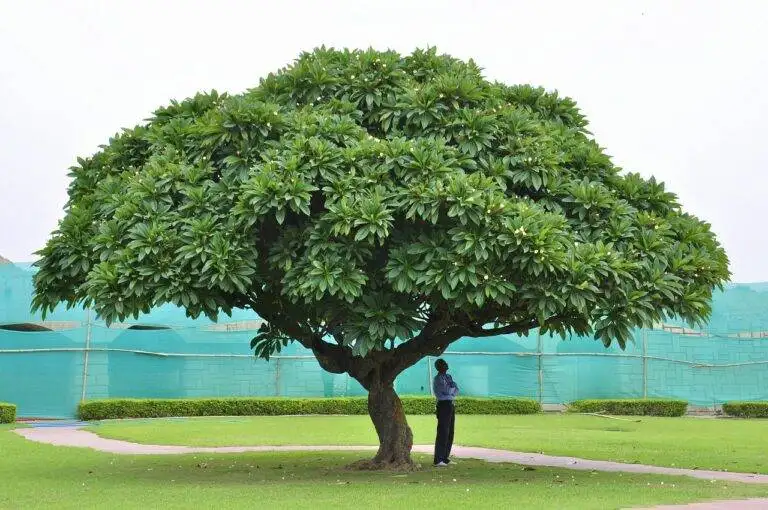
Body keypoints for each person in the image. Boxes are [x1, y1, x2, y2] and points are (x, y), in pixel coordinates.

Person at [432, 358, 458, 466]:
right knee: (443, 431)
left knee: (450, 432)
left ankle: (445, 457)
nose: (446, 365)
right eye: (443, 364)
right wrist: (451, 389)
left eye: (446, 363)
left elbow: (456, 389)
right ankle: (438, 459)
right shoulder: (438, 379)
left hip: (450, 404)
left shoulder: (448, 377)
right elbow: (448, 390)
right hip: (443, 405)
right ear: (439, 367)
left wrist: (451, 390)